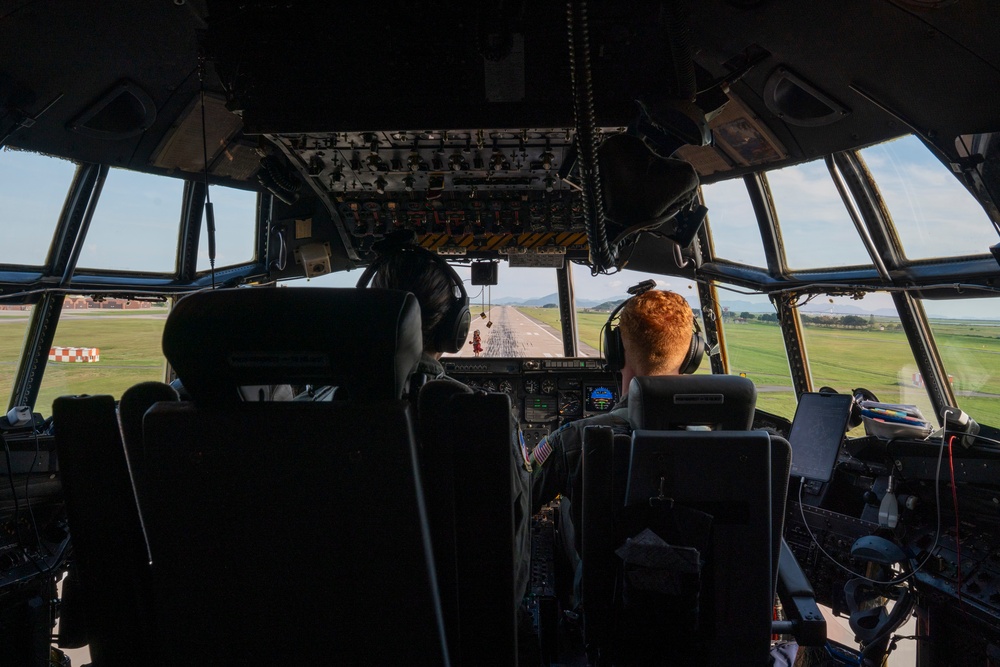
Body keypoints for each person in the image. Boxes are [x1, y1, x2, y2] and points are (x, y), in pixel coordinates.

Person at [529, 288, 697, 598]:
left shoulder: (572, 440)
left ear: (615, 350)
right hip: (700, 623)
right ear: (691, 354)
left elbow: (518, 502)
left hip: (601, 620)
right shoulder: (729, 442)